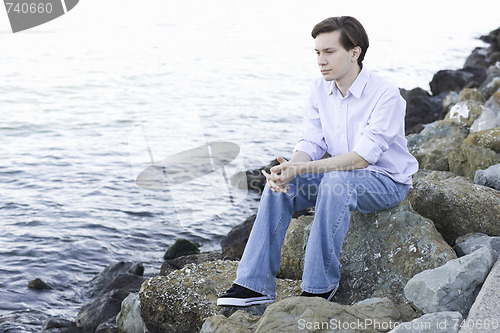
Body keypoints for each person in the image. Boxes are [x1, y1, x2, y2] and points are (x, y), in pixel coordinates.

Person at [217, 16, 418, 306]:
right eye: (317, 52)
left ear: (354, 52)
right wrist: (290, 168)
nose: (321, 60)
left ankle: (318, 286)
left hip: (386, 182)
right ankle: (254, 285)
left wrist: (304, 168)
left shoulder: (385, 94)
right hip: (342, 176)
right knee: (280, 185)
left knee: (336, 181)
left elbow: (362, 159)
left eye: (329, 52)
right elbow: (311, 143)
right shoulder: (319, 90)